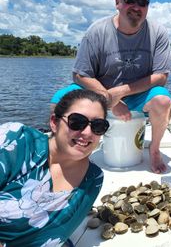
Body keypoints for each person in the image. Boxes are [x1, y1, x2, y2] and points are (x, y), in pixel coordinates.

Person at [51, 0, 171, 174]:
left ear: (148, 7)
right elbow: (80, 74)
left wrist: (122, 92)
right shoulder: (97, 31)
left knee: (163, 100)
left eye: (142, 2)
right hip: (100, 92)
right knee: (59, 101)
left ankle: (155, 149)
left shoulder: (158, 32)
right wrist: (110, 99)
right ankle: (68, 149)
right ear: (117, 2)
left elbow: (161, 76)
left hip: (138, 94)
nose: (136, 6)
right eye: (130, 0)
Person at [0, 89, 108, 247]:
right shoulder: (16, 141)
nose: (87, 132)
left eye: (98, 126)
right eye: (77, 122)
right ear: (54, 123)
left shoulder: (93, 180)